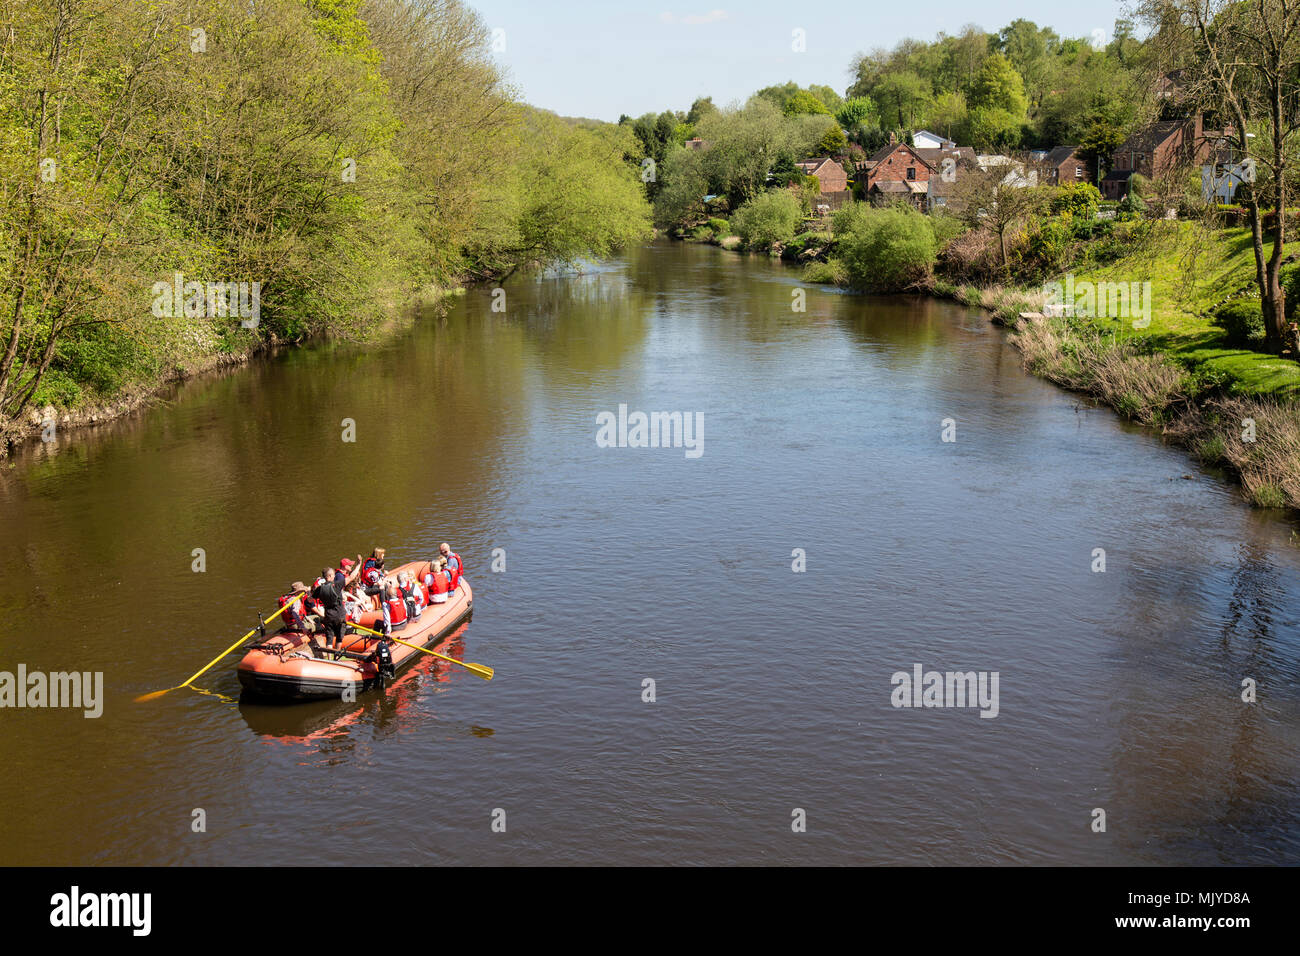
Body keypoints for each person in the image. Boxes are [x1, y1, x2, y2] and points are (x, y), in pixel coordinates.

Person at [312, 566, 347, 653]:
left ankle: (329, 658)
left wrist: (309, 592)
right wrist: (358, 564)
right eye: (333, 575)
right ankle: (336, 655)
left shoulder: (320, 589)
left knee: (329, 638)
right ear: (330, 576)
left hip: (328, 615)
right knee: (339, 637)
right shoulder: (337, 585)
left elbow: (309, 599)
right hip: (339, 615)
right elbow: (351, 577)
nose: (334, 577)